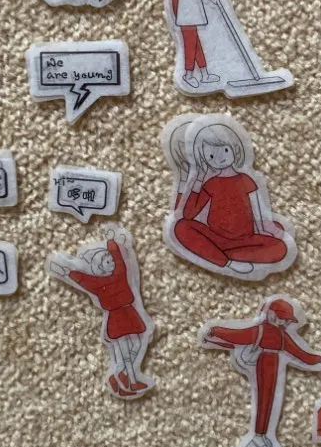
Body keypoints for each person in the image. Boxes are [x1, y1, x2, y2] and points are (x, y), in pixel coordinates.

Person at [203, 298, 321, 447]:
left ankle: (261, 435)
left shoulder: (282, 335)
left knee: (269, 401)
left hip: (274, 364)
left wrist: (313, 359)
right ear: (272, 315)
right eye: (283, 318)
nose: (285, 323)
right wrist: (216, 331)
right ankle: (258, 435)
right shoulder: (260, 330)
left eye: (287, 320)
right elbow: (238, 335)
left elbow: (296, 351)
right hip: (263, 364)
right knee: (264, 400)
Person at [173, 121, 291, 276]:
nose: (220, 158)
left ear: (235, 149)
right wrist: (198, 180)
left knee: (280, 248)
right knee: (181, 227)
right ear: (204, 160)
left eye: (225, 150)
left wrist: (267, 227)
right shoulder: (210, 183)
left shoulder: (245, 180)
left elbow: (259, 210)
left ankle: (215, 255)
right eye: (211, 156)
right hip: (216, 238)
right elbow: (188, 215)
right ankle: (227, 262)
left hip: (246, 240)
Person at [48, 229, 152, 398]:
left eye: (110, 260)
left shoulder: (120, 275)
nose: (111, 263)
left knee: (139, 344)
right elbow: (83, 280)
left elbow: (119, 261)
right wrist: (67, 272)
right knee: (125, 352)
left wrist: (112, 243)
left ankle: (120, 374)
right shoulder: (97, 284)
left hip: (130, 312)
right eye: (106, 261)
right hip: (116, 318)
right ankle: (131, 381)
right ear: (99, 267)